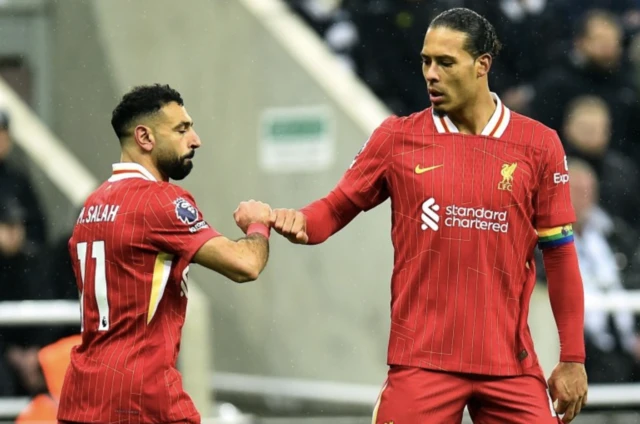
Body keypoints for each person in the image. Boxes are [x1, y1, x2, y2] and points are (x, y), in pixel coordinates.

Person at [262, 8, 588, 424]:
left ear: (481, 65)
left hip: (509, 364)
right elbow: (331, 212)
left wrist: (573, 358)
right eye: (426, 61)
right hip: (423, 362)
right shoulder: (397, 138)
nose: (431, 74)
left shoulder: (538, 145)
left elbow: (559, 256)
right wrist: (291, 220)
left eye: (446, 63)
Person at [57, 84, 272, 424]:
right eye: (182, 129)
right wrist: (258, 225)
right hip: (142, 398)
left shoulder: (90, 206)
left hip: (83, 398)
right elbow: (245, 265)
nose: (195, 140)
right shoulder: (159, 201)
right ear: (144, 137)